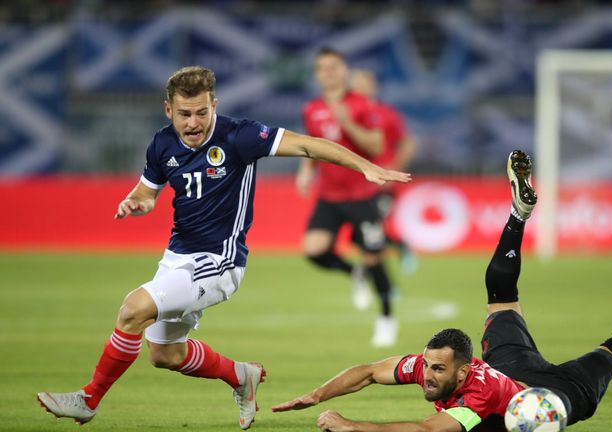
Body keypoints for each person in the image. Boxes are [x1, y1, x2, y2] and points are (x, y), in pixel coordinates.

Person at [36, 66, 410, 429]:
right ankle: (241, 375)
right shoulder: (161, 142)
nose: (194, 123)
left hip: (221, 260)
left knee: (133, 309)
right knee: (165, 354)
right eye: (184, 114)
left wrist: (364, 166)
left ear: (214, 104)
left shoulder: (240, 136)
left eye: (202, 112)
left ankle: (88, 400)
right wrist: (136, 202)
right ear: (169, 110)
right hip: (176, 258)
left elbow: (310, 146)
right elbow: (147, 192)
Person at [273, 150, 612, 431]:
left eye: (438, 372)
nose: (427, 375)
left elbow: (427, 431)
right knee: (499, 294)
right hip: (510, 364)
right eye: (427, 367)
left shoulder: (475, 396)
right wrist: (318, 394)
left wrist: (351, 425)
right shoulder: (433, 367)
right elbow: (369, 371)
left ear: (462, 373)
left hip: (557, 394)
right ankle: (518, 213)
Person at [296, 48, 398, 347]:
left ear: (343, 70)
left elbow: (377, 146)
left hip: (362, 195)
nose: (328, 72)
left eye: (333, 67)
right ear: (317, 74)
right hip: (329, 194)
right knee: (314, 250)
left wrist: (348, 123)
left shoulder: (362, 104)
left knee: (375, 257)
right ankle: (354, 271)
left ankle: (387, 318)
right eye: (322, 68)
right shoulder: (311, 109)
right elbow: (313, 146)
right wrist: (306, 170)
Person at [350, 68, 419, 275]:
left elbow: (409, 143)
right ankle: (398, 247)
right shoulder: (349, 114)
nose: (359, 89)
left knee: (372, 232)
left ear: (373, 87)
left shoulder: (386, 114)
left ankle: (385, 284)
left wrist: (395, 168)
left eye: (364, 84)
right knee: (358, 234)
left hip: (382, 183)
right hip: (358, 184)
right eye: (356, 85)